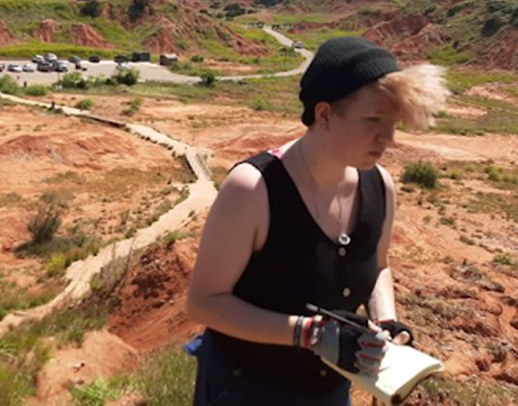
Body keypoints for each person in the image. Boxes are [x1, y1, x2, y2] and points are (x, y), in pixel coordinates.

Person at [187, 36, 449, 405]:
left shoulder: (379, 186)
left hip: (329, 392)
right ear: (324, 114)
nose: (388, 138)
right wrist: (309, 334)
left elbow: (378, 266)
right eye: (373, 120)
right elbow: (204, 303)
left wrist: (387, 324)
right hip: (245, 389)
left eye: (393, 123)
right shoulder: (254, 189)